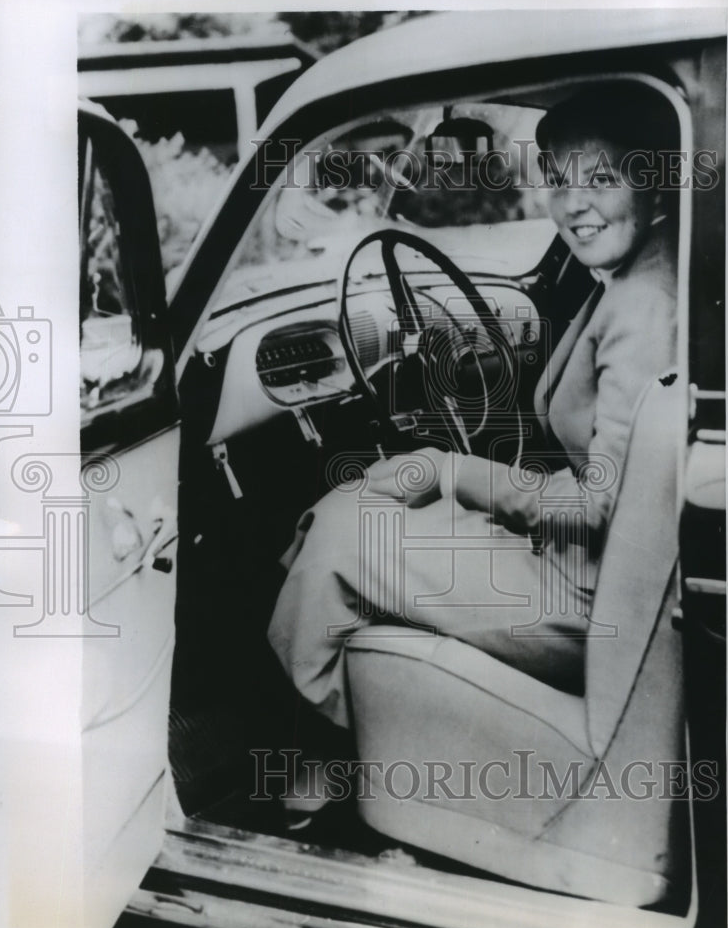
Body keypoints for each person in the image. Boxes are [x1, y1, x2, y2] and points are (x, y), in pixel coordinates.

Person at [267, 83, 679, 732]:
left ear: (657, 184)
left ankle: (326, 752)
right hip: (575, 566)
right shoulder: (640, 274)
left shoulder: (647, 305)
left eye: (602, 177)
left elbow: (596, 505)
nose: (574, 205)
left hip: (585, 599)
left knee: (344, 535)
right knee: (348, 509)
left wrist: (448, 469)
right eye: (557, 179)